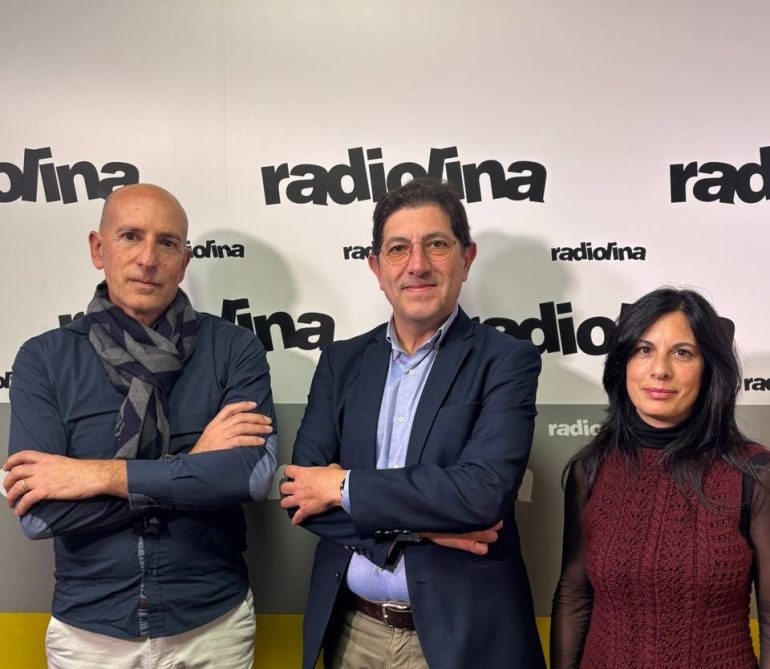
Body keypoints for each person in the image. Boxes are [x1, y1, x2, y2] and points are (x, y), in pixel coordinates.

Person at [3, 184, 277, 669]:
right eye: (130, 236)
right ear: (98, 249)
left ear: (184, 261)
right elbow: (40, 516)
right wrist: (193, 467)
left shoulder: (234, 349)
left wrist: (97, 476)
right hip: (90, 637)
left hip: (212, 628)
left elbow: (249, 478)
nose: (148, 259)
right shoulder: (43, 359)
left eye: (167, 243)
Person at [279, 177, 545, 669]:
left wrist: (343, 487)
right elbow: (301, 492)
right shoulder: (341, 362)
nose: (417, 265)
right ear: (376, 268)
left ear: (466, 258)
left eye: (436, 245)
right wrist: (425, 532)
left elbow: (482, 494)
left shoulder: (507, 361)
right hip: (351, 632)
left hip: (462, 638)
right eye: (398, 248)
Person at [550, 287, 770, 669]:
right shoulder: (592, 469)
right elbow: (574, 595)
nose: (659, 370)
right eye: (643, 349)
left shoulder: (753, 473)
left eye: (682, 352)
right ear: (623, 363)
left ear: (709, 368)